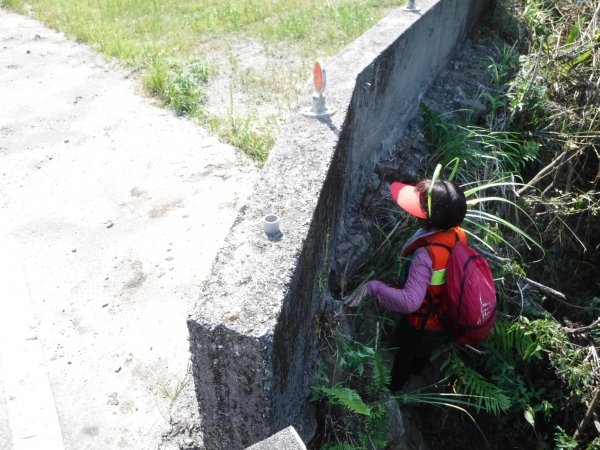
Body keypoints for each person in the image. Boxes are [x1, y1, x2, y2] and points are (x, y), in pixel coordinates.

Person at [344, 178, 468, 391]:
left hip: (421, 326)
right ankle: (417, 372)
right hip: (445, 321)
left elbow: (410, 302)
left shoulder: (424, 255)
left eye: (421, 210)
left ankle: (395, 390)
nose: (414, 212)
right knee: (422, 354)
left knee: (405, 355)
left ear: (431, 221)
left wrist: (373, 287)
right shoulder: (457, 234)